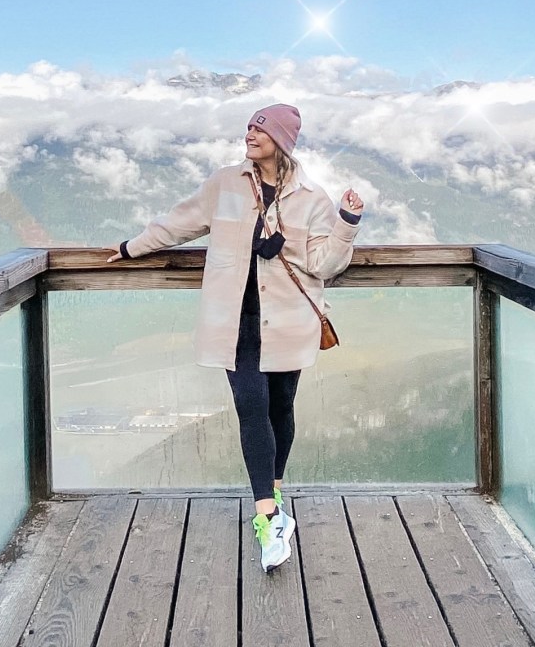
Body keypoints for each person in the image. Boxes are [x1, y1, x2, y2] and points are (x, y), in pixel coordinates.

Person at [107, 103, 364, 572]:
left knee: (280, 408)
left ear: (282, 140)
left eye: (259, 129)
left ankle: (275, 490)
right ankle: (267, 516)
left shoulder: (312, 198)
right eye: (248, 127)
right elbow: (179, 223)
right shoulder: (226, 184)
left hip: (288, 320)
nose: (249, 135)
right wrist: (131, 247)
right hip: (236, 321)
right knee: (250, 405)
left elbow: (326, 265)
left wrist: (346, 224)